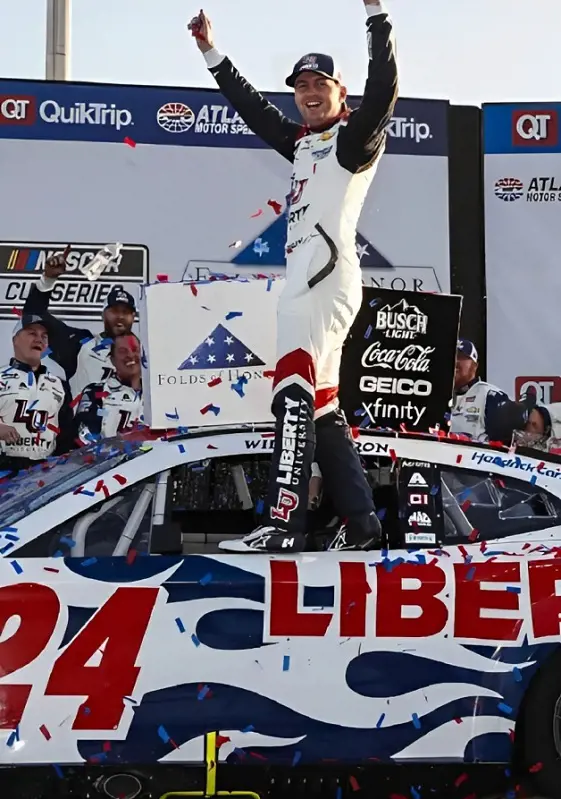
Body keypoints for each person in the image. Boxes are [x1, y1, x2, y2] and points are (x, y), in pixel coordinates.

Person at [188, 0, 398, 554]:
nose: (308, 92)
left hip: (322, 283)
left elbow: (384, 89)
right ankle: (363, 524)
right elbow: (254, 110)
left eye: (319, 83)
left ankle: (284, 523)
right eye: (300, 84)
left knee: (292, 398)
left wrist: (376, 15)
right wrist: (212, 52)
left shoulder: (354, 141)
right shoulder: (304, 142)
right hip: (308, 282)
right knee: (321, 413)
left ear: (340, 93)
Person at [23, 248, 137, 400]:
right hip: (84, 422)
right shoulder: (80, 344)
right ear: (103, 314)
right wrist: (48, 280)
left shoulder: (146, 354)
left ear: (134, 316)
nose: (121, 316)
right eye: (115, 311)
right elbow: (34, 315)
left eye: (126, 312)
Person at [0, 314, 71, 473]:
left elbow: (67, 436)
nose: (39, 339)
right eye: (32, 333)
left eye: (44, 336)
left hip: (43, 475)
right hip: (3, 470)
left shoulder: (59, 385)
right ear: (15, 340)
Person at [75, 333, 143, 444]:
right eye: (122, 351)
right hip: (113, 460)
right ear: (112, 360)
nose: (130, 355)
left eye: (135, 349)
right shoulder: (95, 392)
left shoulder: (156, 393)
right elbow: (84, 437)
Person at [450, 339, 510, 441]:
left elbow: (504, 443)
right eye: (452, 356)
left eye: (461, 357)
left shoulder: (490, 395)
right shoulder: (435, 394)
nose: (455, 361)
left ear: (475, 366)